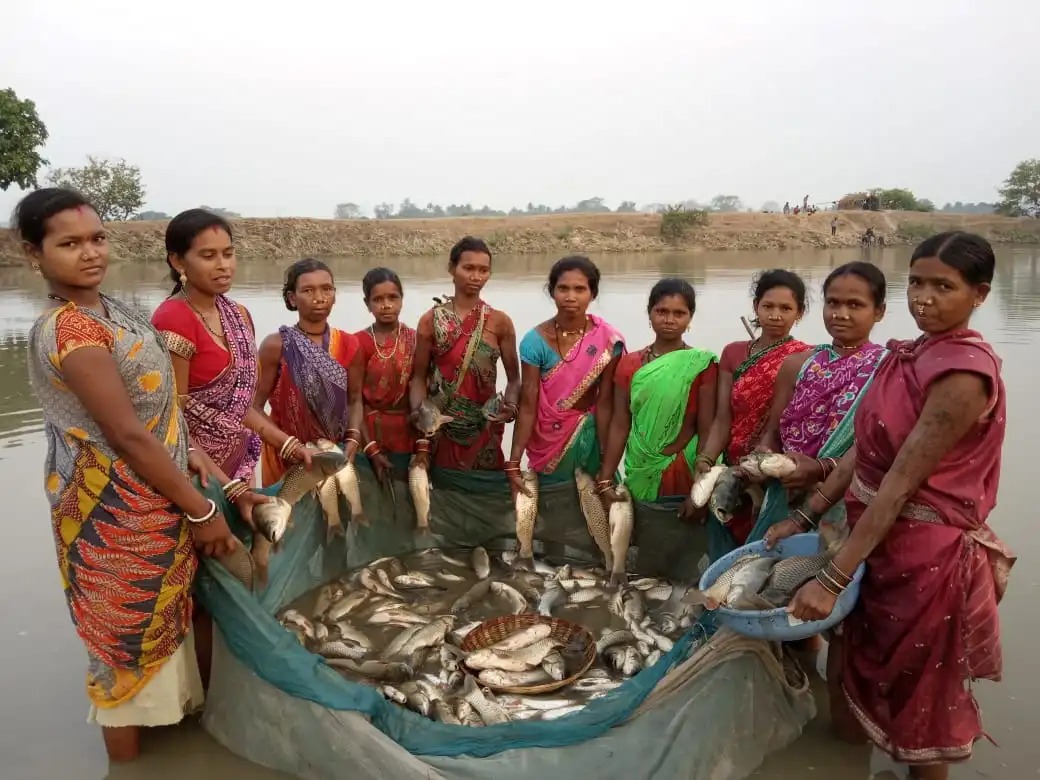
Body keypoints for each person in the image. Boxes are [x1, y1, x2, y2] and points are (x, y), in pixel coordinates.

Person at [17, 188, 238, 762]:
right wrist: (203, 509)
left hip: (157, 495)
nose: (89, 253)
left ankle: (181, 747)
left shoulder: (110, 310)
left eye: (96, 238)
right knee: (121, 644)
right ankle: (128, 766)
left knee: (169, 624)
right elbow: (127, 435)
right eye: (69, 243)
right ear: (33, 254)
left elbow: (158, 412)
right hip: (111, 512)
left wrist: (188, 456)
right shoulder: (72, 331)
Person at [786, 233, 1015, 779]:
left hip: (923, 561)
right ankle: (845, 761)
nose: (924, 298)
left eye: (944, 286)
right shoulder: (909, 354)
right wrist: (803, 516)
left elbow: (899, 484)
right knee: (856, 666)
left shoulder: (961, 374)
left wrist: (833, 578)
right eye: (916, 282)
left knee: (921, 703)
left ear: (979, 294)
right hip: (871, 544)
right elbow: (862, 454)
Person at [151, 209, 317, 580]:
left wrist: (288, 444)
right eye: (208, 256)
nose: (223, 265)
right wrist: (230, 489)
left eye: (228, 253)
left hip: (238, 465)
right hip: (197, 478)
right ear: (178, 261)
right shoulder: (173, 320)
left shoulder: (237, 313)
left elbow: (240, 406)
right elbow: (172, 424)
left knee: (246, 557)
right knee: (205, 578)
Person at [697, 269, 811, 552]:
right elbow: (724, 417)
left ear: (799, 313)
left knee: (765, 549)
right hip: (733, 464)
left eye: (786, 308)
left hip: (775, 469)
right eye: (768, 306)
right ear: (755, 307)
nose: (775, 315)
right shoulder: (734, 353)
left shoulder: (807, 358)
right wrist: (707, 458)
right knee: (727, 538)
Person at [596, 278, 717, 509]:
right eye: (661, 311)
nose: (669, 320)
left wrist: (701, 488)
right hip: (641, 465)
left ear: (690, 318)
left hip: (686, 464)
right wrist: (605, 477)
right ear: (649, 314)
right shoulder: (629, 364)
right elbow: (621, 424)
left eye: (679, 313)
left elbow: (707, 428)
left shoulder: (702, 364)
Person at [508, 257, 624, 490]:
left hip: (589, 436)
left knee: (598, 509)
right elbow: (529, 404)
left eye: (580, 289)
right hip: (548, 441)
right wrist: (513, 461)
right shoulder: (534, 341)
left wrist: (605, 459)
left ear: (593, 293)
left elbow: (605, 403)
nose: (570, 297)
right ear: (552, 292)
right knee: (551, 508)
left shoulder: (609, 340)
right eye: (563, 288)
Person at [408, 237, 521, 470]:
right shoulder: (430, 321)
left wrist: (510, 408)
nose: (476, 277)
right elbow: (419, 377)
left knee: (485, 493)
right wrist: (420, 416)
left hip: (484, 429)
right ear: (451, 268)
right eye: (468, 268)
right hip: (441, 430)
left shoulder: (500, 322)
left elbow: (514, 379)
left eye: (483, 270)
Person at [254, 258, 365, 487]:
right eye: (308, 290)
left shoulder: (349, 344)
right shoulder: (276, 346)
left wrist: (353, 436)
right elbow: (253, 407)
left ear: (335, 294)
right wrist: (287, 445)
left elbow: (355, 400)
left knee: (334, 517)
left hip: (334, 455)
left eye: (327, 289)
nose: (319, 298)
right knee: (284, 518)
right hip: (286, 456)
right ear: (292, 298)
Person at [354, 267, 418, 476]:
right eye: (378, 299)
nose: (387, 305)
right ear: (367, 304)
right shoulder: (357, 343)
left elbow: (423, 391)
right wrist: (370, 447)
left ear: (402, 299)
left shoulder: (416, 340)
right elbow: (353, 401)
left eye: (393, 297)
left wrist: (423, 446)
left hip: (408, 432)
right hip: (368, 432)